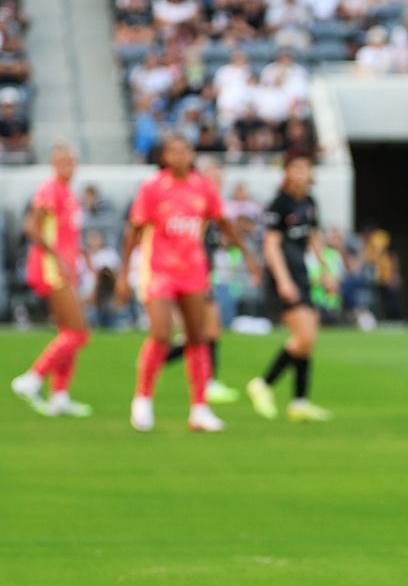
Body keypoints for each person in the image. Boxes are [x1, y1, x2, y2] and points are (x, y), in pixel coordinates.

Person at [117, 134, 259, 433]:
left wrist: (247, 255)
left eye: (185, 150)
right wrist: (123, 272)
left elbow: (223, 222)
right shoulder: (153, 188)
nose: (180, 156)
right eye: (174, 151)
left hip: (193, 272)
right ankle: (142, 398)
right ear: (165, 157)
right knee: (161, 333)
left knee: (197, 337)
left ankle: (199, 408)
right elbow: (134, 230)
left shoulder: (202, 187)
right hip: (159, 271)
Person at [247, 156, 335, 422]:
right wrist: (283, 280)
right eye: (295, 168)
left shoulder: (309, 202)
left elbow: (314, 239)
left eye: (305, 168)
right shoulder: (280, 203)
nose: (300, 173)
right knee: (303, 337)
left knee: (307, 340)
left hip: (301, 273)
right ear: (286, 172)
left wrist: (326, 271)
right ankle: (263, 384)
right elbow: (271, 245)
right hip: (283, 277)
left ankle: (299, 402)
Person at [10, 145, 93, 418]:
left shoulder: (68, 193)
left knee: (67, 331)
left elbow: (70, 235)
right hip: (51, 269)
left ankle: (59, 396)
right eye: (62, 160)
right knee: (79, 332)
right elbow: (32, 227)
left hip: (65, 269)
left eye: (71, 160)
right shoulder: (50, 190)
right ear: (53, 163)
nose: (67, 164)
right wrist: (58, 257)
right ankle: (33, 378)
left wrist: (81, 259)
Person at [160, 157, 239, 404]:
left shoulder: (213, 208)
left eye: (219, 178)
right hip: (194, 276)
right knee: (203, 331)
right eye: (213, 177)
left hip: (203, 275)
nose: (217, 181)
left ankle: (202, 378)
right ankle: (201, 380)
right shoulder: (197, 206)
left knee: (207, 331)